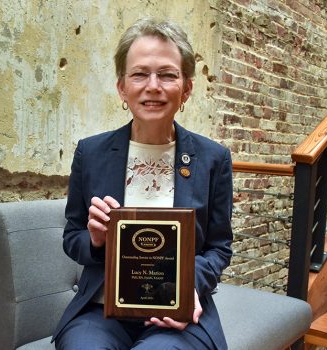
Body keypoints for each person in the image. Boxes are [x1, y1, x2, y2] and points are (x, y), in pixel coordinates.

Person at [52, 17, 233, 350]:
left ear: (187, 88)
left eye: (167, 74)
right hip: (101, 310)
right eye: (139, 74)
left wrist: (187, 287)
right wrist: (95, 240)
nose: (153, 86)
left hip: (179, 313)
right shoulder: (91, 152)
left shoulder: (213, 159)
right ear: (122, 87)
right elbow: (72, 238)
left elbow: (219, 248)